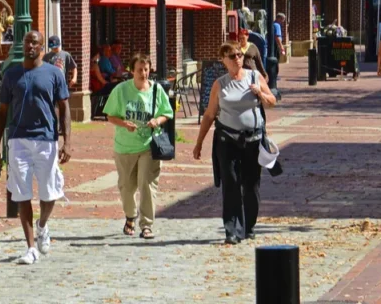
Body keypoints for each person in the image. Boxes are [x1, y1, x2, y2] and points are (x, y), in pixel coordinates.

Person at [0, 31, 71, 265]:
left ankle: (42, 225)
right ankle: (30, 248)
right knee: (21, 193)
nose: (30, 46)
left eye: (34, 43)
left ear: (41, 47)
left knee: (50, 193)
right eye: (26, 42)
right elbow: (2, 112)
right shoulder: (11, 74)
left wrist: (67, 140)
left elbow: (64, 108)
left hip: (46, 139)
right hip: (18, 140)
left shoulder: (54, 73)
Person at [193, 42, 277, 244]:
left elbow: (272, 101)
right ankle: (232, 230)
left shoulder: (254, 77)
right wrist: (199, 143)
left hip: (253, 140)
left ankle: (248, 226)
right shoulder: (219, 84)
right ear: (223, 60)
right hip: (227, 139)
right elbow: (210, 115)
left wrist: (260, 93)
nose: (237, 58)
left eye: (239, 54)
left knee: (251, 185)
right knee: (230, 183)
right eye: (232, 56)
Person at [103, 54, 173, 240]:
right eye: (140, 69)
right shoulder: (121, 90)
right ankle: (130, 216)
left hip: (149, 145)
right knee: (126, 187)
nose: (143, 73)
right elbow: (110, 116)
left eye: (146, 69)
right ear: (132, 71)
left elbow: (167, 113)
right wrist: (125, 123)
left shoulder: (157, 90)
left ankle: (146, 225)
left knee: (147, 185)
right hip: (125, 147)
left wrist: (157, 120)